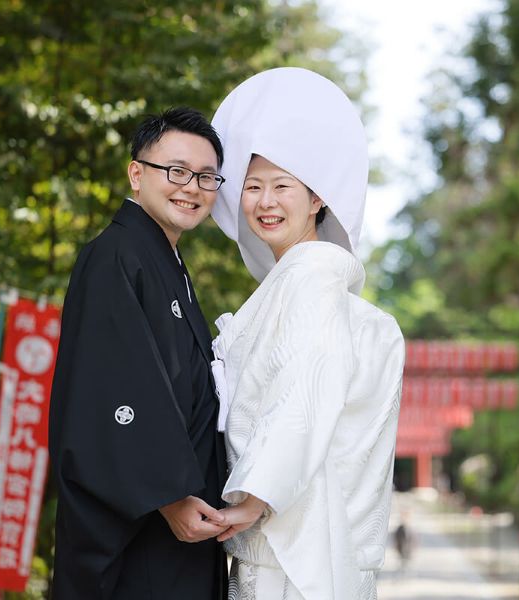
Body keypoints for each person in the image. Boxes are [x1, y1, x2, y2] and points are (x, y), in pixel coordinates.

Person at [208, 67, 405, 599]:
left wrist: (256, 496)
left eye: (281, 186)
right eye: (252, 186)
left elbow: (310, 386)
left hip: (291, 549)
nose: (265, 202)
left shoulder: (312, 276)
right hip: (303, 541)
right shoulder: (304, 284)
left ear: (317, 198)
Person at [49, 107, 229, 599]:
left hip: (180, 525)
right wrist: (168, 496)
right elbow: (109, 388)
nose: (191, 187)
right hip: (145, 528)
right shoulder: (113, 256)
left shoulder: (167, 263)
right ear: (136, 172)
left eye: (206, 176)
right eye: (176, 171)